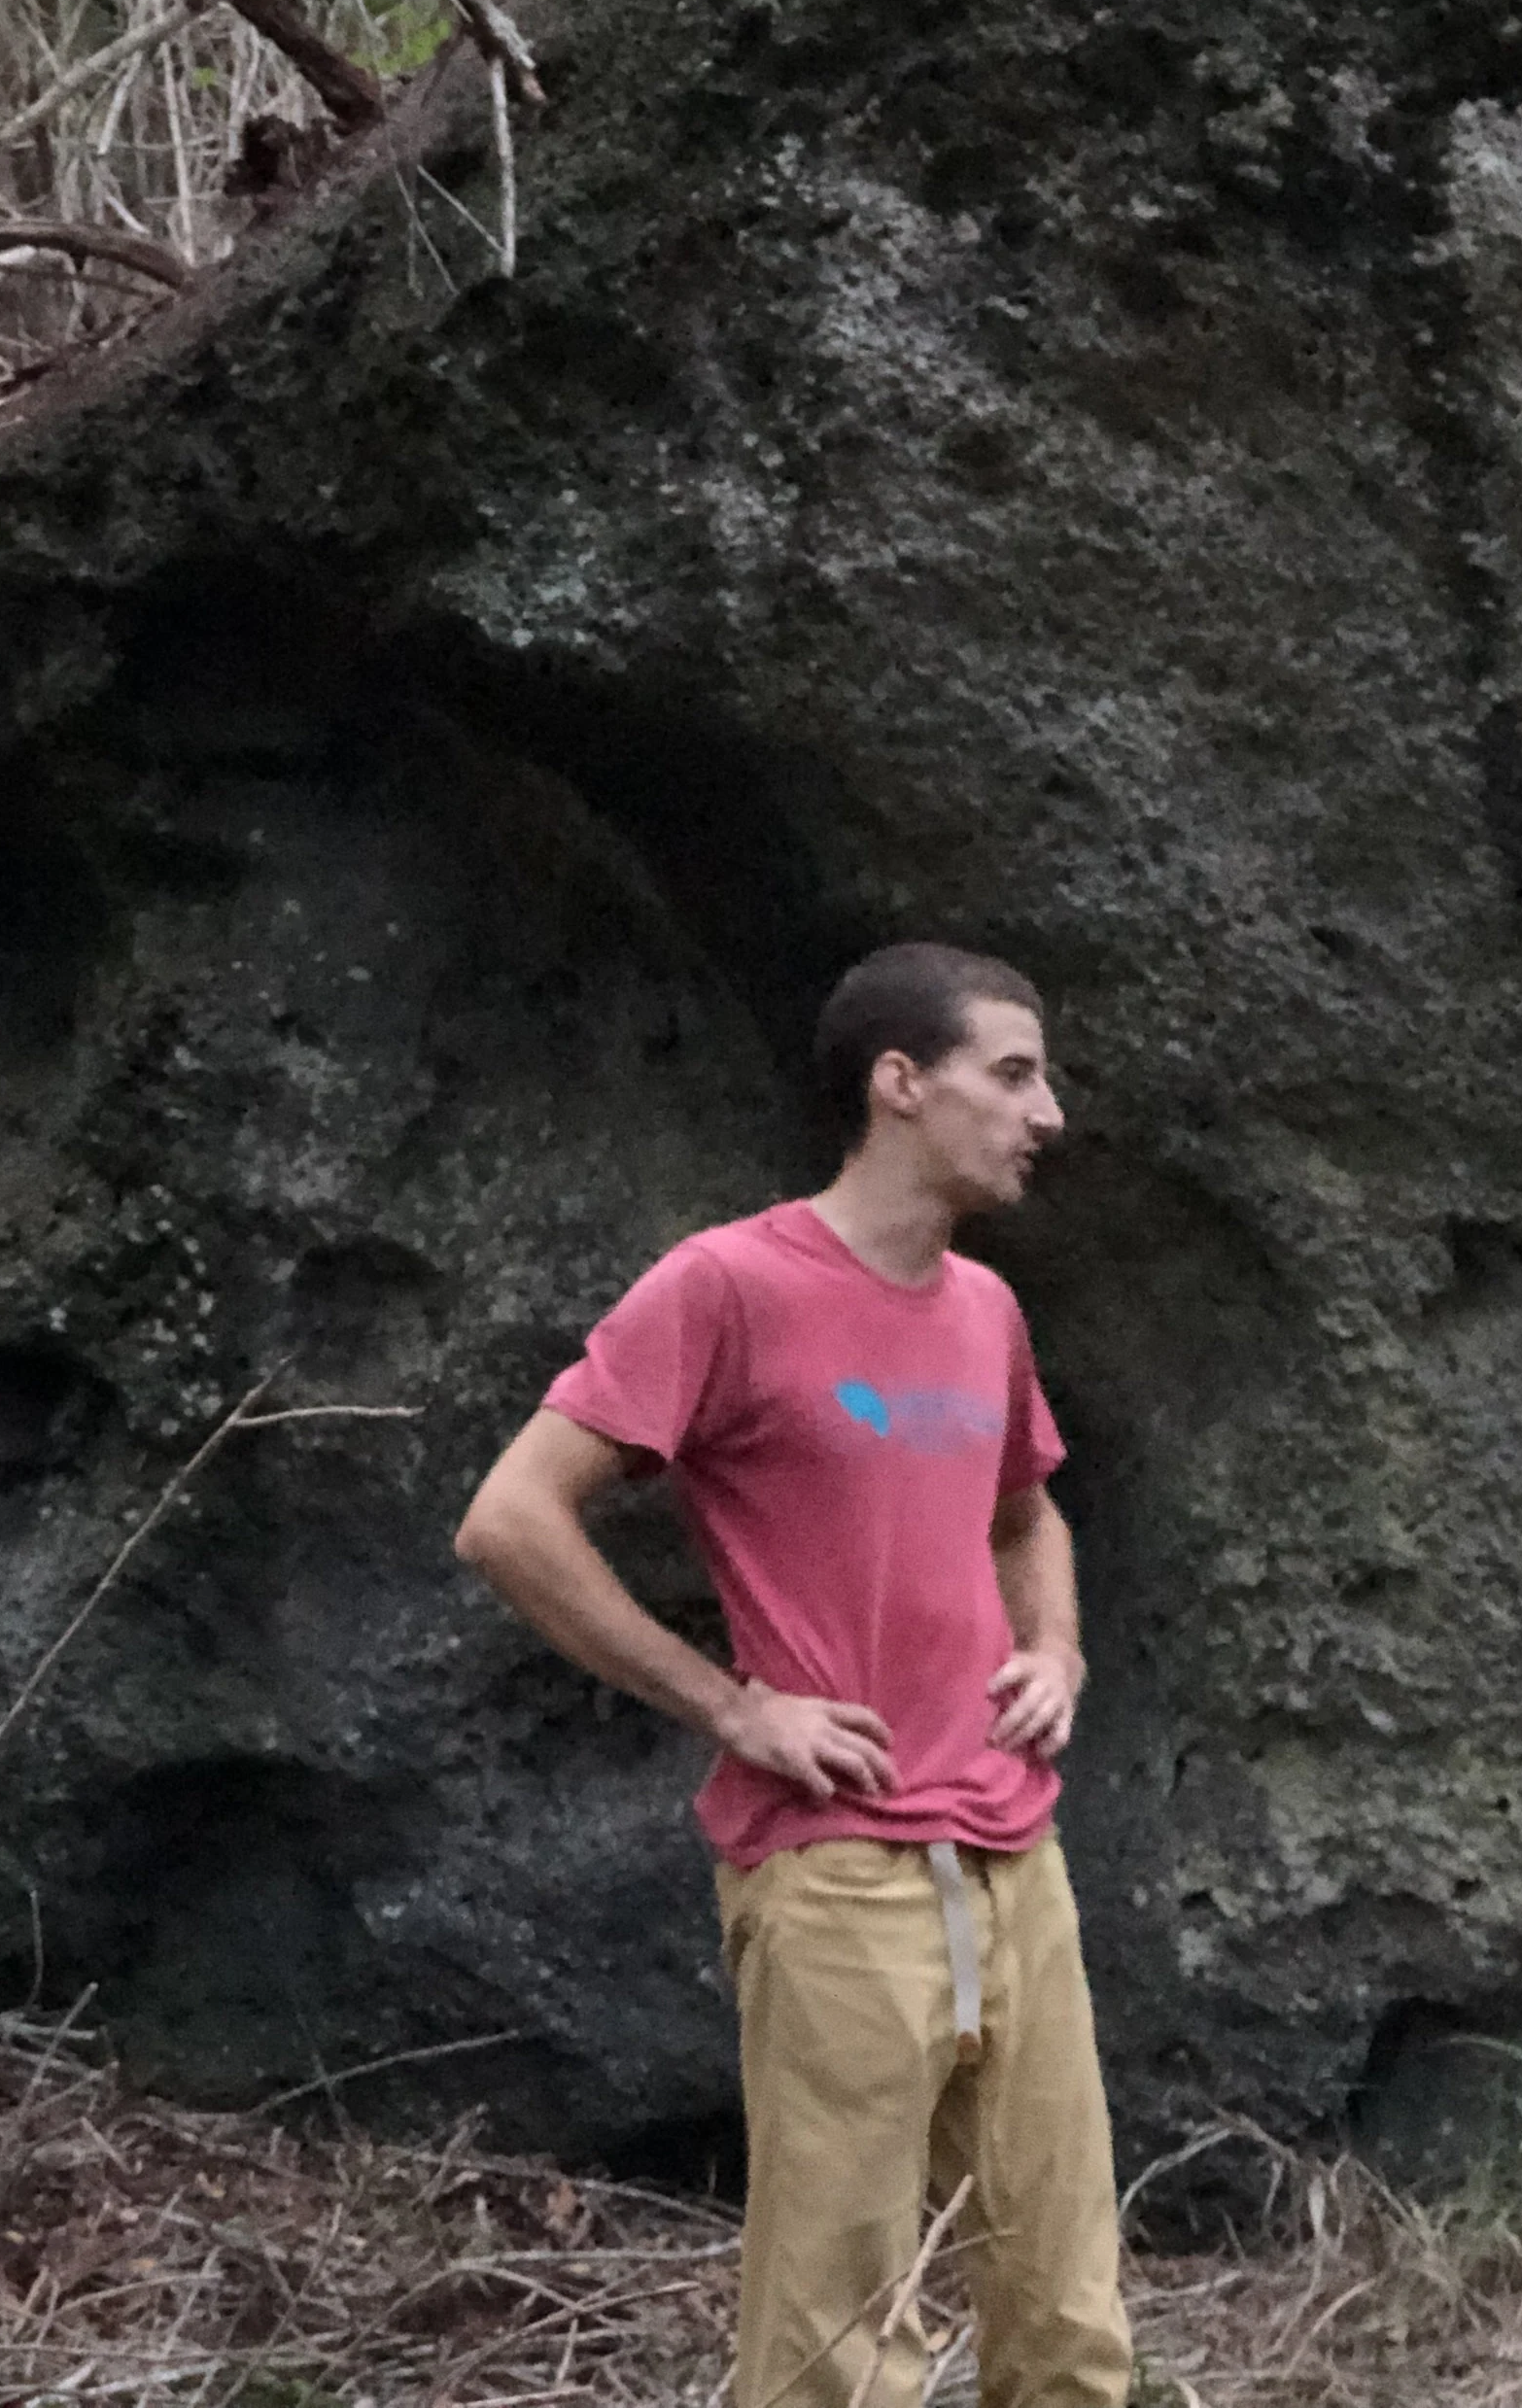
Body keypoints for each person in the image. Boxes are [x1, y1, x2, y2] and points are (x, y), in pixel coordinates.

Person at [454, 943, 1133, 2408]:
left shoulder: (987, 1313)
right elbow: (511, 1519)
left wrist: (1057, 1648)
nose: (1049, 1113)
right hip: (837, 1878)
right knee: (840, 2342)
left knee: (1071, 2322)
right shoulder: (727, 1285)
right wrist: (730, 1704)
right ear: (900, 1082)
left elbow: (1029, 1510)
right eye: (1012, 1074)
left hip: (1018, 1858)